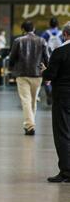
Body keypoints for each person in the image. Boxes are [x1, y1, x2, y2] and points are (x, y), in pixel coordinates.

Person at [9, 21, 49, 136]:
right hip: (37, 74)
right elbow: (46, 57)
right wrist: (48, 73)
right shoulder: (42, 41)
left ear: (23, 29)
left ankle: (30, 125)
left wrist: (11, 68)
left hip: (22, 74)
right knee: (33, 100)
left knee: (26, 100)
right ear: (34, 28)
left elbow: (12, 57)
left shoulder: (18, 41)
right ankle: (30, 124)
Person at [41, 22, 70, 182]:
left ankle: (66, 171)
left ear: (65, 34)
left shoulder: (59, 52)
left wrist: (45, 71)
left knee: (63, 132)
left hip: (63, 97)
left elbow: (49, 76)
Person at [42, 17, 64, 105]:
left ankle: (49, 92)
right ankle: (56, 94)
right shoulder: (61, 33)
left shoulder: (46, 34)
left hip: (49, 58)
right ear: (57, 24)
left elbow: (42, 44)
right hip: (60, 57)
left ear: (49, 24)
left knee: (48, 76)